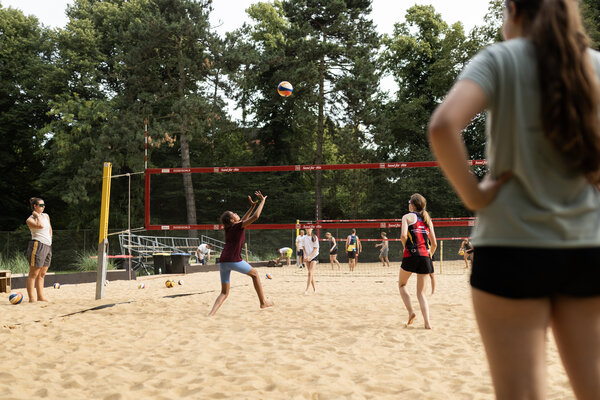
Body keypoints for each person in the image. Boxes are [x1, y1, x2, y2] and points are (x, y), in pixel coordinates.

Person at [428, 0, 600, 397]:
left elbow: (443, 125)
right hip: (587, 246)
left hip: (510, 245)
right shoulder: (593, 64)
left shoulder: (499, 59)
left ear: (514, 10)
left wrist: (475, 195)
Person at [208, 191, 274, 316]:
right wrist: (262, 201)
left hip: (223, 261)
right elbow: (255, 217)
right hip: (233, 260)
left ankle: (211, 314)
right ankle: (263, 302)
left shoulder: (230, 228)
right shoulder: (238, 226)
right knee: (255, 275)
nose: (237, 214)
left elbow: (243, 219)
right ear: (232, 219)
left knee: (224, 293)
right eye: (234, 214)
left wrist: (252, 206)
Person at [399, 194, 437, 329]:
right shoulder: (428, 220)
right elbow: (434, 244)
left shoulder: (407, 217)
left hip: (411, 254)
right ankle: (427, 323)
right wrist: (429, 256)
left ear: (413, 204)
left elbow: (403, 236)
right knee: (421, 293)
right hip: (425, 256)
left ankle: (411, 312)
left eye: (409, 202)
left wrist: (406, 247)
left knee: (402, 285)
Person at [25, 197, 52, 303]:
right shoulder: (30, 219)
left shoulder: (46, 216)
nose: (43, 207)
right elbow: (40, 225)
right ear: (35, 206)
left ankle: (40, 297)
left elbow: (49, 228)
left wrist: (50, 239)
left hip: (47, 245)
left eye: (44, 205)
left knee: (42, 274)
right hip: (38, 245)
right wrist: (36, 215)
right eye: (41, 205)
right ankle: (32, 299)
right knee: (33, 273)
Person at [302, 228, 319, 294]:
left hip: (314, 256)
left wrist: (310, 256)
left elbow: (315, 249)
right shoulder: (304, 238)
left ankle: (307, 289)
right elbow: (303, 248)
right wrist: (305, 255)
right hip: (307, 257)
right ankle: (315, 289)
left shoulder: (314, 237)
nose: (308, 229)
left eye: (309, 228)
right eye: (307, 228)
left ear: (311, 229)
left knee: (310, 272)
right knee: (310, 274)